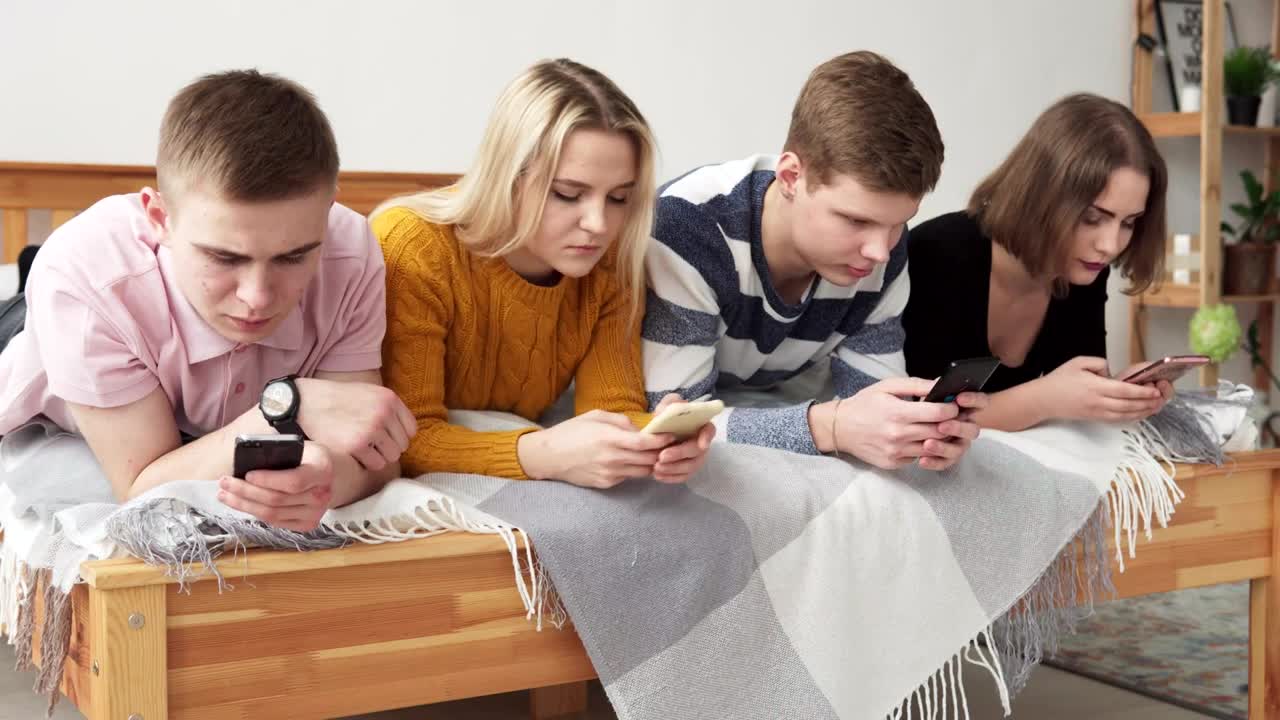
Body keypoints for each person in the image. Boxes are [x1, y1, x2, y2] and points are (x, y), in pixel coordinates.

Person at [0, 70, 416, 532]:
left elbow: (372, 457)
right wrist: (287, 406)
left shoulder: (351, 248)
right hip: (43, 362)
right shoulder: (85, 275)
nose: (257, 297)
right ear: (159, 218)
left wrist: (327, 481)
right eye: (224, 257)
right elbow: (141, 487)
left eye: (294, 256)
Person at [373, 58, 714, 488]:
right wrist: (540, 454)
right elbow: (402, 440)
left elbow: (611, 409)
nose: (599, 224)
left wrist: (653, 440)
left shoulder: (610, 259)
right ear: (508, 177)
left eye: (619, 198)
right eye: (568, 194)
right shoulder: (412, 246)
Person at [642, 51, 983, 471]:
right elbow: (675, 426)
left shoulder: (883, 245)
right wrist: (831, 427)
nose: (880, 251)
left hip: (781, 400)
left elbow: (872, 398)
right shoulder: (688, 227)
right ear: (790, 177)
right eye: (855, 220)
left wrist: (915, 433)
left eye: (898, 223)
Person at [902, 93, 1172, 432]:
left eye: (1129, 223)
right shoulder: (937, 252)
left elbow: (1070, 397)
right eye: (1091, 217)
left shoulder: (1083, 268)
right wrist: (1047, 398)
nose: (1109, 245)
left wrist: (1117, 394)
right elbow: (922, 420)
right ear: (1041, 195)